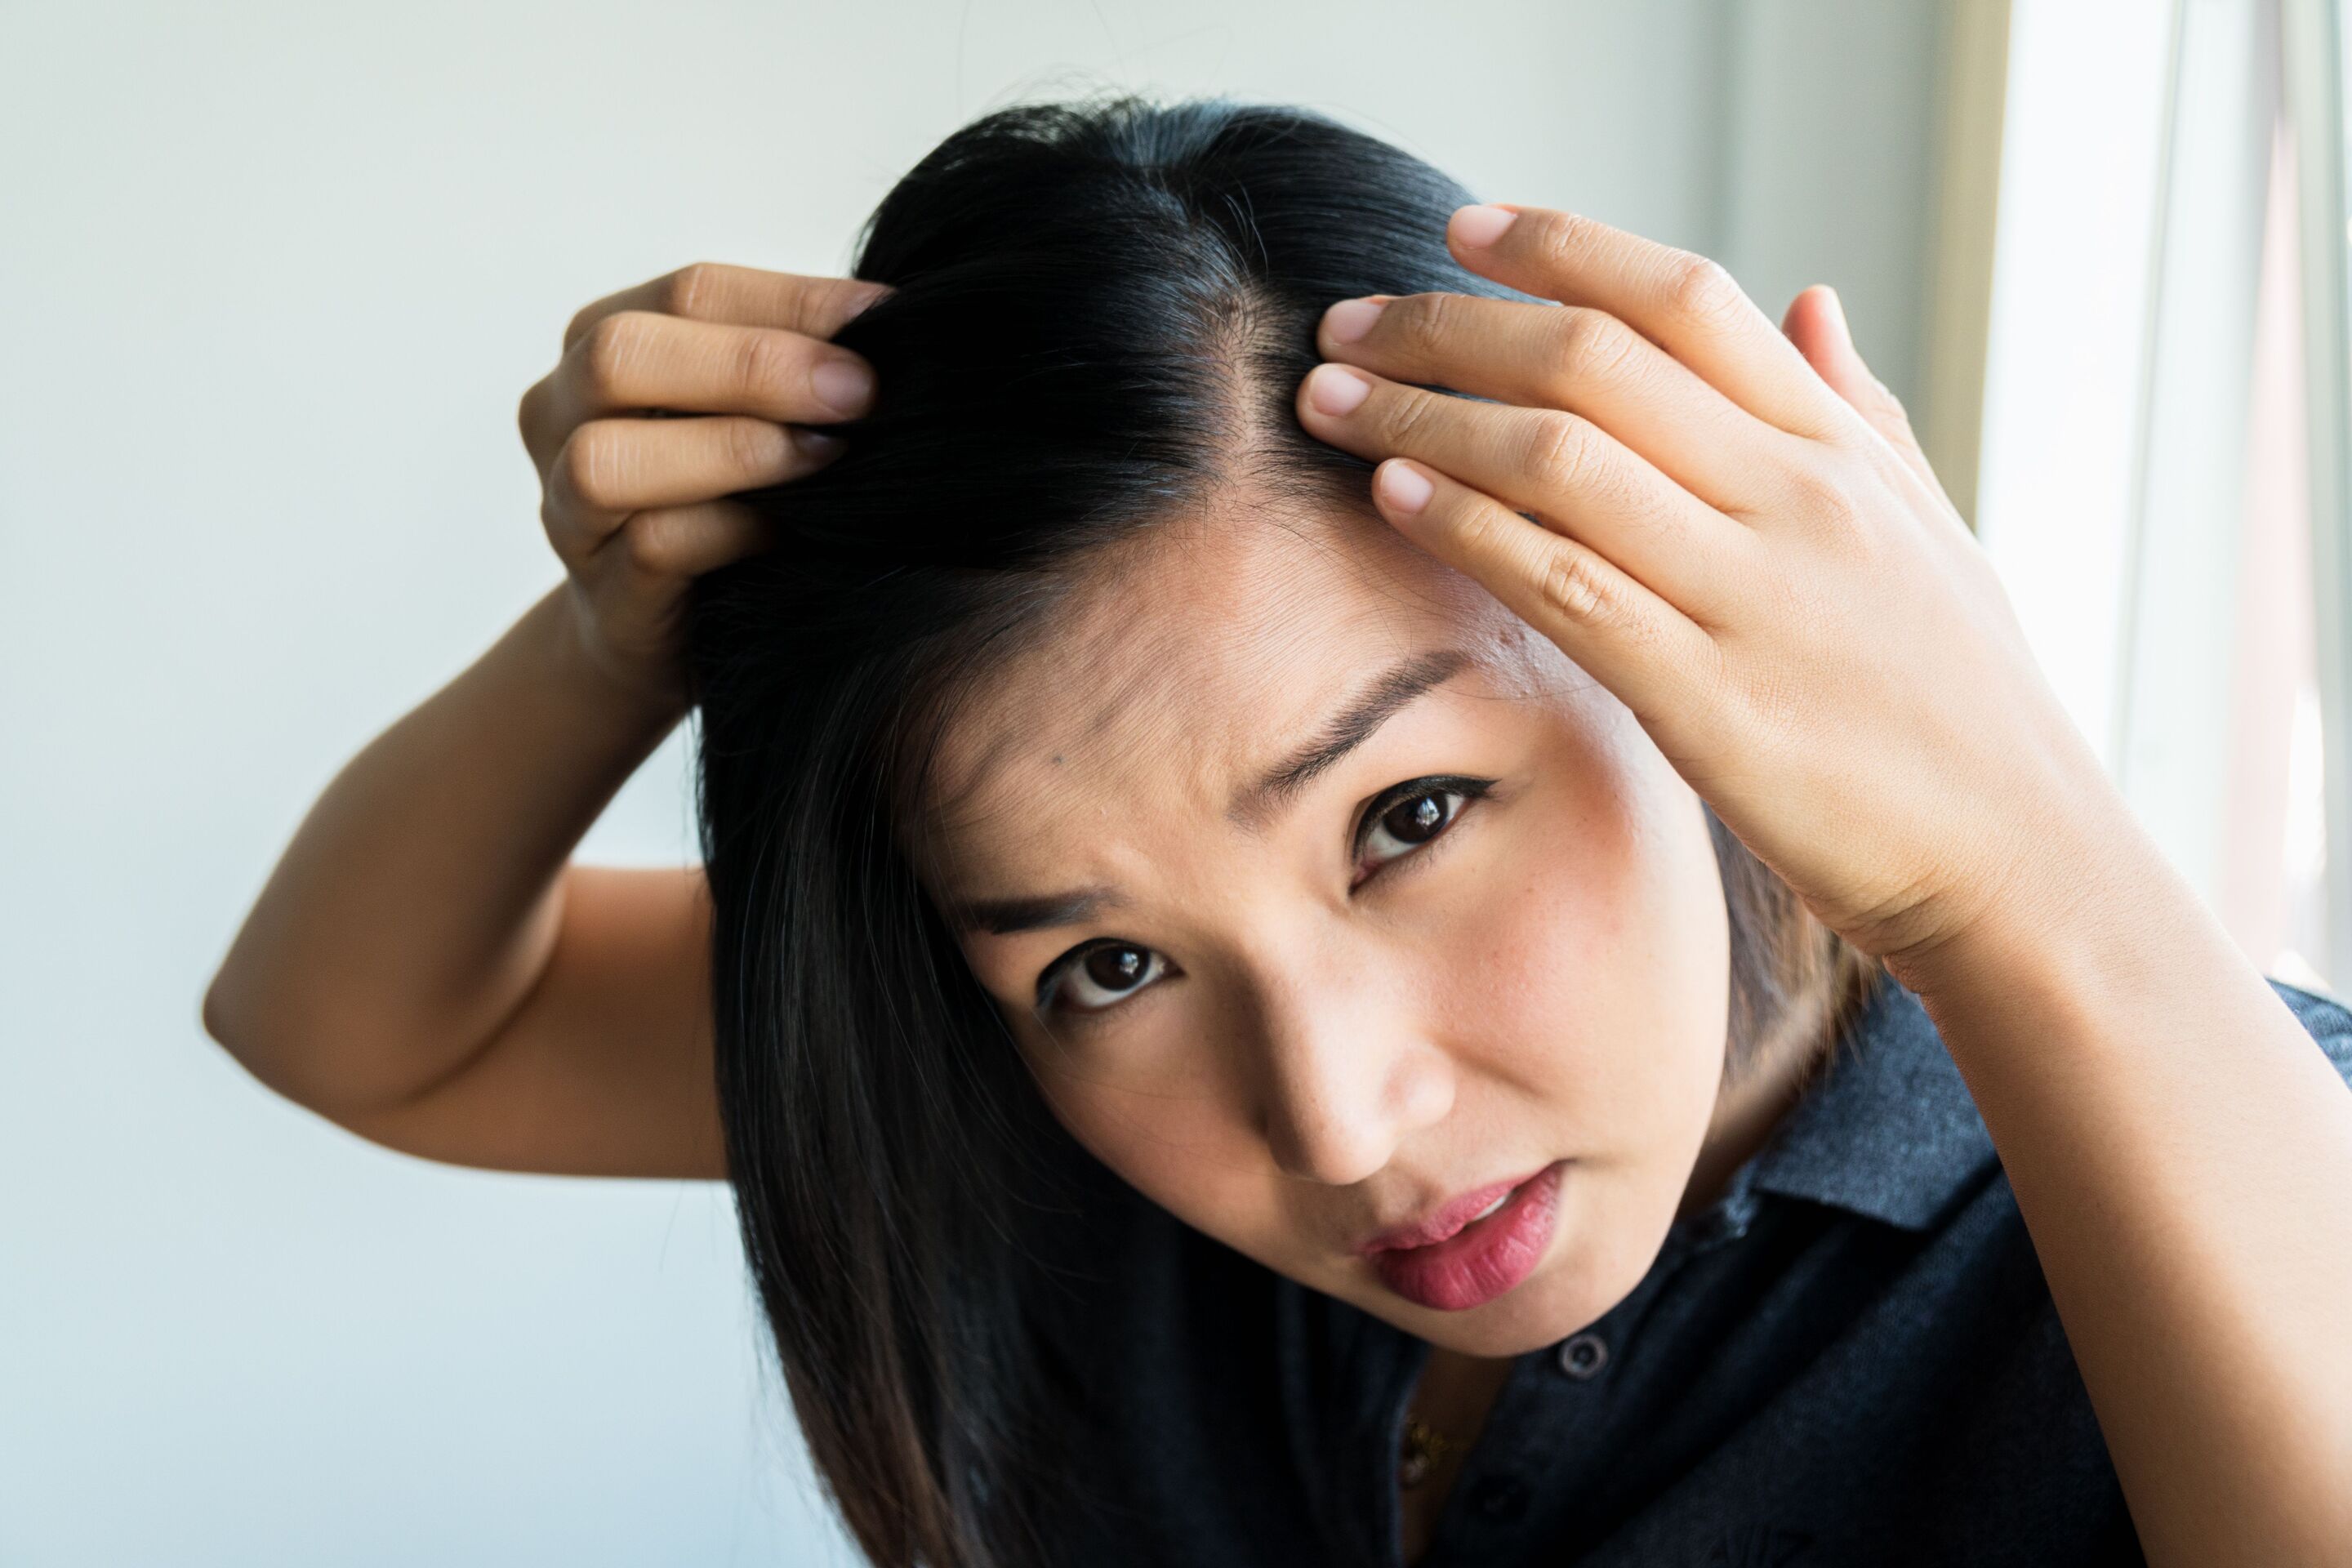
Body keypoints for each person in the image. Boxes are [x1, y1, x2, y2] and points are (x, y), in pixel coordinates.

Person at [202, 96, 2352, 1568]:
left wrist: (2015, 859)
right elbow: (361, 1029)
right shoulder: (1059, 1114)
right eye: (1107, 962)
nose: (1336, 1115)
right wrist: (622, 632)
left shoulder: (2216, 1185)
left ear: (1687, 636)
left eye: (1409, 815)